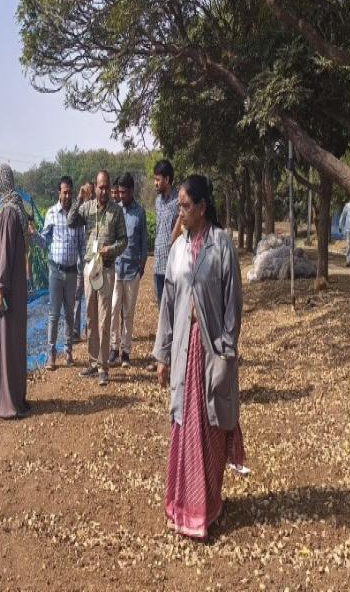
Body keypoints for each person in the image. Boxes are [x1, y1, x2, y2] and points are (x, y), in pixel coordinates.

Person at [153, 174, 245, 539]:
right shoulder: (176, 250)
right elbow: (168, 307)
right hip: (183, 353)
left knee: (210, 427)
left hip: (211, 351)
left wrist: (225, 350)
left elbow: (233, 306)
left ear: (203, 208)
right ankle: (184, 505)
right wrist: (162, 355)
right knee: (184, 424)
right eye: (179, 205)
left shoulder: (222, 246)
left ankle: (208, 504)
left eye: (186, 206)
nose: (181, 211)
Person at [68, 170, 127, 386]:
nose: (103, 191)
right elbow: (70, 221)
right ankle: (92, 363)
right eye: (100, 187)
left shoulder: (116, 212)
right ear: (95, 186)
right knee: (91, 318)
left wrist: (109, 249)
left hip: (107, 269)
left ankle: (103, 367)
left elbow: (124, 241)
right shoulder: (88, 207)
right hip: (89, 269)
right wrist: (79, 198)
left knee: (104, 319)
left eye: (106, 187)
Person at [0, 164, 30, 418]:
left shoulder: (9, 212)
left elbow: (6, 254)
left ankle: (7, 401)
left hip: (6, 288)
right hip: (11, 285)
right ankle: (9, 395)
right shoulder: (12, 210)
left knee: (5, 339)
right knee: (11, 340)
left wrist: (0, 287)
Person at [31, 175, 85, 369]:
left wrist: (82, 272)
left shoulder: (77, 216)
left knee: (70, 314)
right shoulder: (52, 213)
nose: (68, 196)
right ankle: (51, 354)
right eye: (65, 192)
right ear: (59, 193)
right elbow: (45, 241)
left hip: (72, 273)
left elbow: (81, 246)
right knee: (54, 315)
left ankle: (68, 352)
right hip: (55, 270)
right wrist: (33, 235)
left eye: (70, 192)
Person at [109, 172, 147, 368]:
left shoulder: (139, 213)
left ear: (131, 191)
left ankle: (126, 352)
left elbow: (143, 242)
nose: (120, 195)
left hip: (132, 271)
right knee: (114, 309)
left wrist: (141, 268)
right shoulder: (115, 211)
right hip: (116, 269)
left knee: (128, 313)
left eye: (124, 192)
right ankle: (113, 348)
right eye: (119, 192)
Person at [147, 159, 182, 372]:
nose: (155, 183)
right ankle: (164, 357)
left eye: (158, 179)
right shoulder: (159, 202)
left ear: (168, 179)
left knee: (176, 312)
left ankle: (176, 358)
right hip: (158, 265)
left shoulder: (179, 201)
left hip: (174, 265)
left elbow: (179, 231)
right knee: (163, 314)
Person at [71, 182, 93, 343]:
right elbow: (70, 219)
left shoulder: (96, 210)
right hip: (80, 263)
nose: (86, 193)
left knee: (91, 297)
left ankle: (89, 329)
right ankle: (75, 331)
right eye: (84, 191)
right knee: (78, 297)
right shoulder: (80, 211)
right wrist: (79, 198)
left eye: (88, 191)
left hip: (93, 263)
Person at [339, 197, 350, 267]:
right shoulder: (347, 206)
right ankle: (348, 261)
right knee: (349, 245)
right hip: (348, 229)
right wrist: (340, 226)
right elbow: (343, 216)